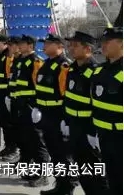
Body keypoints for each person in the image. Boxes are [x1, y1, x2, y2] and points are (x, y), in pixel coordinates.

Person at [62, 31, 110, 195]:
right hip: (74, 127)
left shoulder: (96, 72)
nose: (70, 48)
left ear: (88, 49)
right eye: (70, 45)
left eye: (75, 46)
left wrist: (94, 131)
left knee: (97, 173)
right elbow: (69, 97)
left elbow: (99, 106)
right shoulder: (72, 69)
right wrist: (66, 121)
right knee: (82, 169)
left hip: (88, 130)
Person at [33, 34, 77, 193]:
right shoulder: (46, 64)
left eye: (48, 43)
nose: (44, 46)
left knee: (63, 154)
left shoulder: (63, 65)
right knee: (54, 152)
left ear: (59, 46)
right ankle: (60, 185)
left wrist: (66, 119)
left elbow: (67, 95)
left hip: (58, 116)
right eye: (44, 43)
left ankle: (68, 186)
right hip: (46, 115)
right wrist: (37, 107)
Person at [11, 35, 50, 186]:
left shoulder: (35, 62)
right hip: (20, 105)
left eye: (22, 43)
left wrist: (36, 107)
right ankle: (30, 168)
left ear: (30, 45)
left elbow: (38, 86)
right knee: (26, 140)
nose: (19, 46)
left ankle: (43, 175)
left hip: (31, 107)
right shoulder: (21, 60)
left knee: (37, 142)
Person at [89, 27, 123, 195]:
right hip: (104, 135)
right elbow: (94, 103)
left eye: (108, 42)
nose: (103, 45)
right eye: (102, 42)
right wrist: (93, 131)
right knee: (112, 177)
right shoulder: (99, 70)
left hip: (120, 137)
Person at [0, 35, 17, 159]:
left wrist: (8, 95)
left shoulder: (8, 57)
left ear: (4, 44)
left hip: (5, 95)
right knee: (3, 122)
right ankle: (8, 147)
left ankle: (13, 149)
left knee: (8, 123)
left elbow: (9, 78)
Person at [5, 36, 23, 162]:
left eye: (11, 45)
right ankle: (13, 150)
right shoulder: (14, 60)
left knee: (21, 129)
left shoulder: (24, 60)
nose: (9, 47)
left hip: (22, 101)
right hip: (13, 98)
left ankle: (17, 152)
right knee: (13, 126)